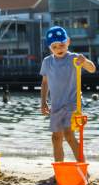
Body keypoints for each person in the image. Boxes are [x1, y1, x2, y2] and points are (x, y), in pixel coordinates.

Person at [40, 26, 95, 162]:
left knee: (69, 135)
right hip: (56, 105)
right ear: (49, 47)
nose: (59, 49)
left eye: (62, 45)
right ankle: (59, 167)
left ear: (68, 42)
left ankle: (82, 167)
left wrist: (85, 62)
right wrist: (43, 101)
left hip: (73, 104)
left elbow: (92, 69)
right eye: (54, 46)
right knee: (56, 138)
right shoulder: (47, 62)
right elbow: (45, 83)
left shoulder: (74, 58)